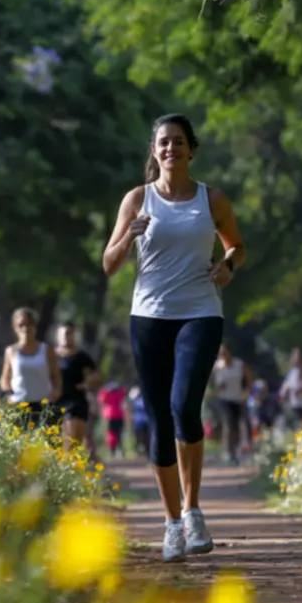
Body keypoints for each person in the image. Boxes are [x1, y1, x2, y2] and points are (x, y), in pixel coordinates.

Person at [101, 113, 246, 562]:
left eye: (178, 142)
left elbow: (236, 246)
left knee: (185, 405)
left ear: (191, 149)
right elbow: (109, 263)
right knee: (160, 420)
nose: (171, 149)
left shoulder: (212, 199)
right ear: (154, 151)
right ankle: (170, 524)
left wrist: (227, 267)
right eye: (163, 143)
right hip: (149, 317)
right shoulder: (138, 199)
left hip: (201, 312)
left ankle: (193, 510)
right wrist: (129, 235)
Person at [0, 307, 61, 428]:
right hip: (19, 404)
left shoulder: (46, 350)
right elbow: (4, 378)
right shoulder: (11, 351)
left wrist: (56, 391)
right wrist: (7, 390)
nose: (25, 329)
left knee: (43, 443)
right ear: (15, 328)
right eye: (21, 325)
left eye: (29, 324)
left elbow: (56, 377)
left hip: (43, 404)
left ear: (35, 327)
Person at [53, 323, 100, 455]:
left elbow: (96, 378)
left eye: (69, 333)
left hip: (76, 402)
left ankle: (72, 469)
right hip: (54, 402)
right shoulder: (51, 356)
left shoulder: (81, 357)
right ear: (57, 336)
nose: (66, 336)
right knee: (57, 444)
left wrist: (86, 384)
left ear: (74, 335)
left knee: (73, 441)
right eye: (63, 333)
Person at [210, 344, 253, 464]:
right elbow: (211, 383)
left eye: (225, 352)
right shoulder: (217, 367)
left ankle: (235, 449)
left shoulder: (239, 364)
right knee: (229, 423)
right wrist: (214, 390)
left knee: (237, 424)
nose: (223, 355)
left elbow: (248, 378)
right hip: (223, 399)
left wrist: (248, 391)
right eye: (221, 353)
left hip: (238, 398)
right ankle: (228, 451)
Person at [98, 381, 128, 458]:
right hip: (113, 416)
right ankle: (115, 451)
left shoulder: (109, 393)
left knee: (115, 434)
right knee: (114, 434)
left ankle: (116, 451)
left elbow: (101, 399)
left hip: (114, 415)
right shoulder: (112, 393)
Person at [129, 386, 149, 457]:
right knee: (141, 438)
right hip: (140, 422)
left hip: (143, 422)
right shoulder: (135, 401)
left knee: (144, 438)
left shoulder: (141, 400)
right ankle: (142, 452)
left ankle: (145, 452)